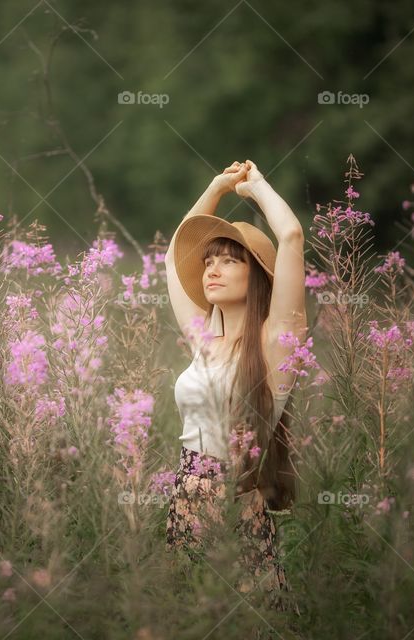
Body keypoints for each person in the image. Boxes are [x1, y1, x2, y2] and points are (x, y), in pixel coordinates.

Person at [163, 159, 307, 612]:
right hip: (185, 504)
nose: (212, 269)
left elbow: (291, 237)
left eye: (229, 260)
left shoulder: (275, 345)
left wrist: (257, 187)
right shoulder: (204, 338)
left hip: (238, 509)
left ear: (258, 274)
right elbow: (173, 255)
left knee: (245, 623)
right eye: (208, 260)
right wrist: (215, 188)